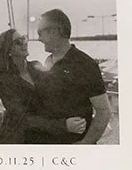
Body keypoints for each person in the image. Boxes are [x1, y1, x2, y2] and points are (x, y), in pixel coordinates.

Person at [20, 9, 113, 144]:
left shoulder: (85, 64)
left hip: (72, 145)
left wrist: (85, 144)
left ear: (54, 31)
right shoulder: (48, 61)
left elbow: (104, 112)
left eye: (40, 33)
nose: (39, 39)